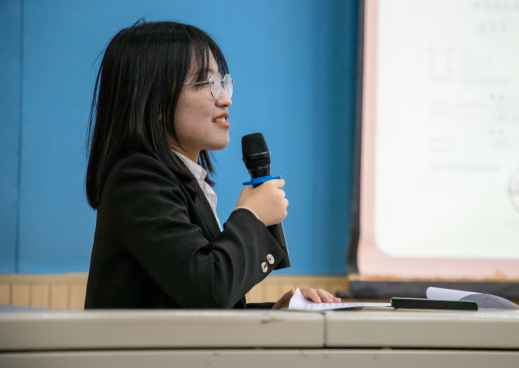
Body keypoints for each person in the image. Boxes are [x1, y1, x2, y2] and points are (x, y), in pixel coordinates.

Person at [84, 20, 341, 309]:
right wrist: (252, 216)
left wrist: (275, 310)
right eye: (207, 84)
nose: (226, 99)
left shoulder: (183, 181)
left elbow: (193, 310)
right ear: (154, 101)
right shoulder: (137, 179)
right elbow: (209, 289)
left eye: (222, 82)